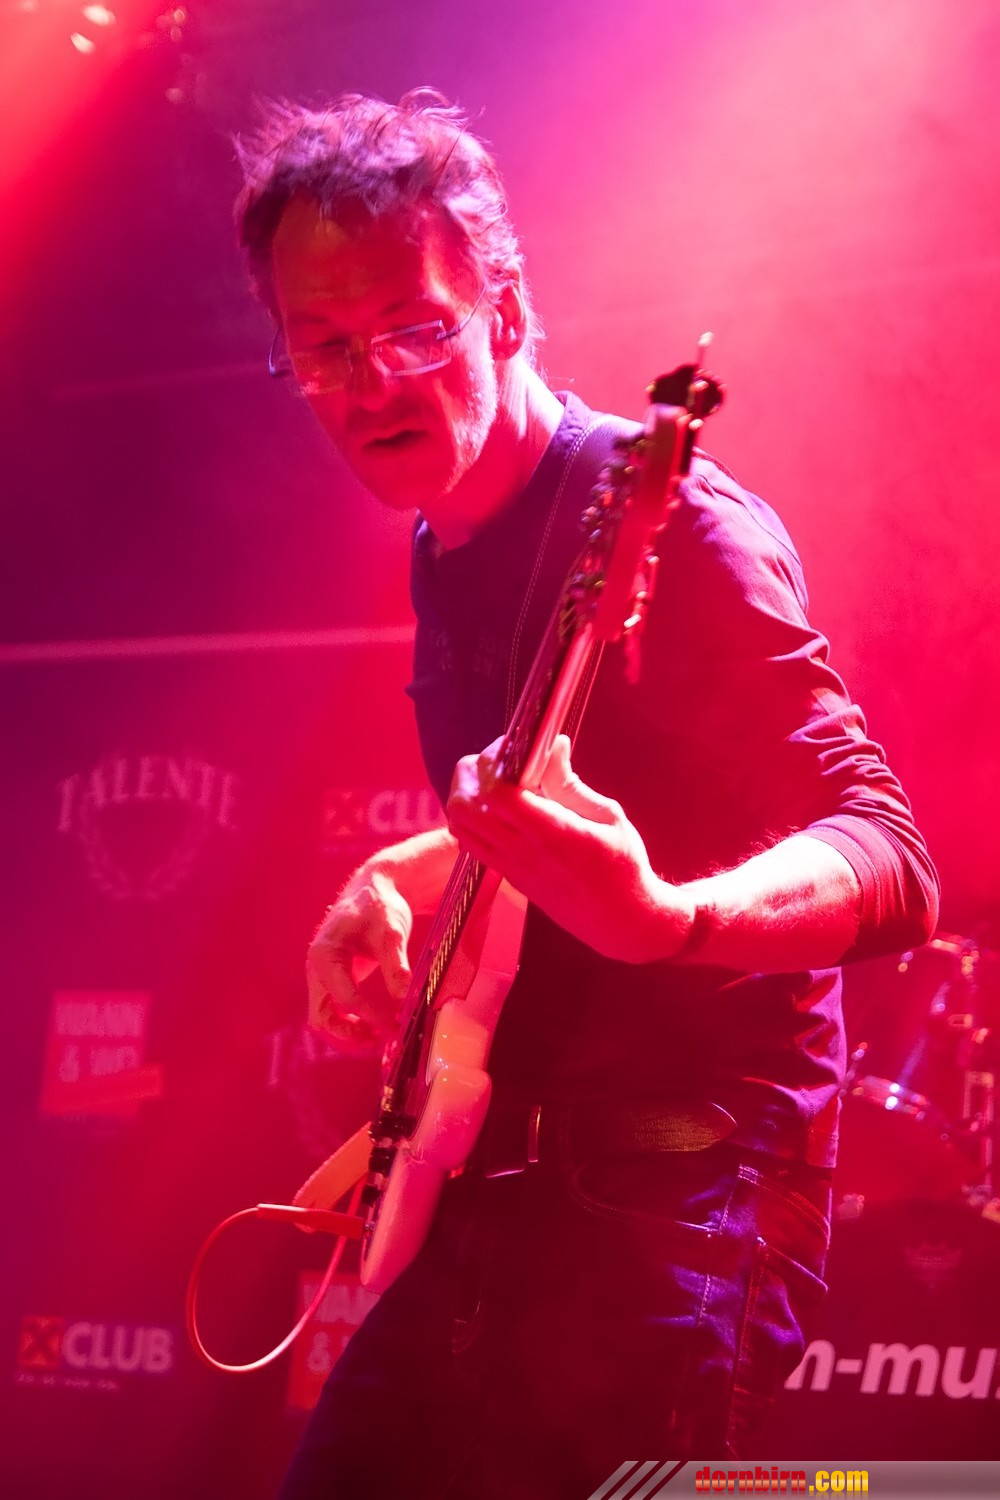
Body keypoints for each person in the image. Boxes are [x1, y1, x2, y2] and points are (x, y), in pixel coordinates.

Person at [235, 90, 939, 1496]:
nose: (372, 384)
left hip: (682, 1209)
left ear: (505, 312)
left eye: (415, 330)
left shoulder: (681, 529)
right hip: (501, 1187)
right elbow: (570, 795)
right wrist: (391, 874)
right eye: (325, 349)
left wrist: (671, 919)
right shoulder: (447, 537)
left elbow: (890, 853)